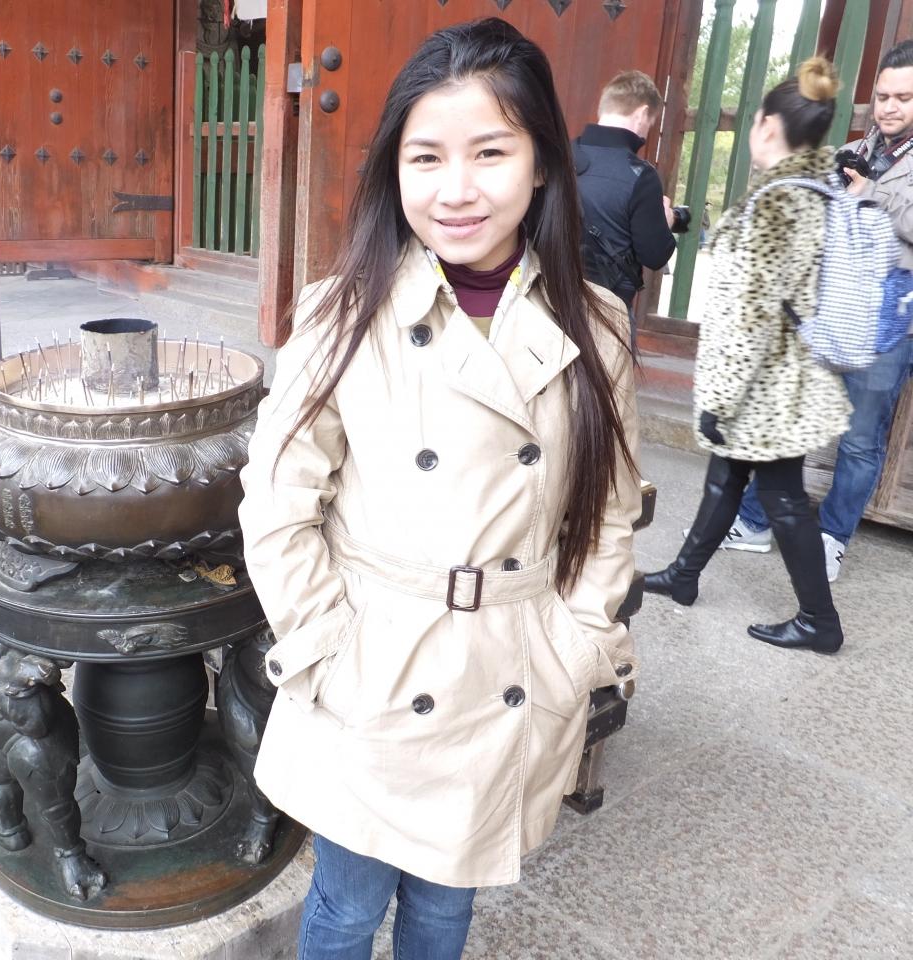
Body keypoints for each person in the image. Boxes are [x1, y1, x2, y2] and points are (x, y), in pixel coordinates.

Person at [238, 18, 640, 959]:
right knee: (345, 905)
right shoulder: (344, 313)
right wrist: (325, 648)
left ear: (542, 164)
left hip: (509, 660)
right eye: (427, 157)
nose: (456, 189)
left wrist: (577, 643)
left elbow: (610, 511)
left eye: (490, 152)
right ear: (395, 170)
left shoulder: (597, 326)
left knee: (447, 907)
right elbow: (279, 499)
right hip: (376, 664)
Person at [643, 59, 851, 655]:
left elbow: (751, 319)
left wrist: (719, 399)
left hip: (767, 387)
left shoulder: (780, 203)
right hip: (778, 378)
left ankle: (820, 621)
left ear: (767, 127)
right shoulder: (807, 191)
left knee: (784, 499)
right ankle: (684, 575)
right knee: (725, 478)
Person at [724, 40, 913, 581]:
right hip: (829, 305)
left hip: (887, 319)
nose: (889, 107)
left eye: (903, 98)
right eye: (882, 96)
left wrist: (871, 193)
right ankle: (755, 521)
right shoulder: (851, 151)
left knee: (860, 440)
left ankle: (832, 537)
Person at [572, 70, 677, 328]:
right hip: (607, 313)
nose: (647, 131)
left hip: (548, 303)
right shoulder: (640, 176)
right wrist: (666, 222)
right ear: (642, 113)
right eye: (651, 122)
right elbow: (654, 256)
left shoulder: (560, 155)